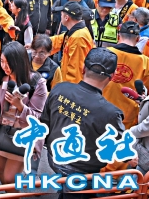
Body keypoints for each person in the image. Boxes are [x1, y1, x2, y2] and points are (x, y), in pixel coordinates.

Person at [40, 48, 125, 199]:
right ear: (112, 77)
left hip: (54, 158)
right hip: (84, 171)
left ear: (83, 68)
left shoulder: (59, 89)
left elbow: (45, 123)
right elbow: (120, 148)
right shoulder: (111, 113)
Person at [0, 41, 47, 185]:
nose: (4, 66)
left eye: (8, 63)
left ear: (19, 62)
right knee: (1, 174)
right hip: (0, 132)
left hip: (22, 137)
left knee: (10, 178)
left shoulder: (37, 83)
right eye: (2, 61)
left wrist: (20, 106)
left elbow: (38, 117)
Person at [105, 21, 149, 129]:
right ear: (138, 39)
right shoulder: (145, 62)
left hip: (100, 108)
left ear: (118, 36)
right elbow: (144, 92)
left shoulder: (105, 53)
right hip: (127, 117)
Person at [50, 2, 95, 83]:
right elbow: (57, 41)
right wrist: (36, 44)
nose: (61, 17)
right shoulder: (74, 32)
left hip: (72, 86)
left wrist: (69, 89)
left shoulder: (78, 38)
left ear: (66, 17)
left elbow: (76, 72)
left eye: (61, 15)